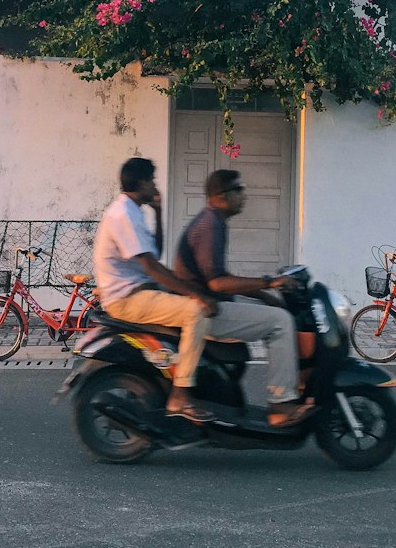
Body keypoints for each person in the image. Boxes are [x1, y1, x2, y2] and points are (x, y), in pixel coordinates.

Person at [175, 168, 312, 428]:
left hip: (213, 303)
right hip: (206, 311)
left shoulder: (212, 220)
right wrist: (269, 283)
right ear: (222, 196)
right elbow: (217, 282)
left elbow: (222, 278)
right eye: (239, 189)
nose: (244, 195)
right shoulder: (210, 225)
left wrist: (264, 294)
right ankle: (281, 404)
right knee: (281, 322)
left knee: (274, 310)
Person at [92, 157, 218, 422]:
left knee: (199, 296)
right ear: (141, 182)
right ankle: (180, 396)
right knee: (197, 311)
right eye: (152, 180)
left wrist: (158, 212)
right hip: (127, 298)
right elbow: (151, 266)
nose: (155, 185)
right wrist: (195, 295)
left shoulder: (133, 211)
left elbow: (154, 253)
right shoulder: (123, 214)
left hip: (139, 289)